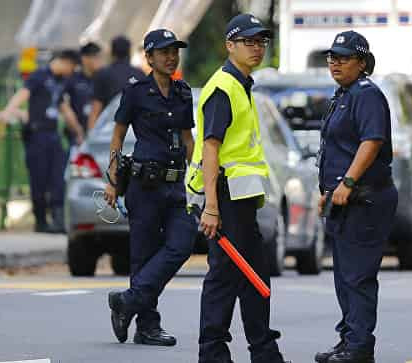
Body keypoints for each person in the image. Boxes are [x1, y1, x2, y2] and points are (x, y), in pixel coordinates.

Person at [186, 13, 290, 363]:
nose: (257, 48)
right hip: (226, 196)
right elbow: (210, 149)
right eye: (248, 41)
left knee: (250, 275)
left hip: (240, 198)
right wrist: (211, 207)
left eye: (260, 41)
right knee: (226, 276)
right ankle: (215, 351)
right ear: (229, 46)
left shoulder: (241, 84)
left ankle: (261, 349)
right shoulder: (223, 87)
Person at [104, 29, 197, 347]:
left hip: (176, 186)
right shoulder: (135, 91)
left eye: (175, 51)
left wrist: (197, 180)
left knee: (182, 244)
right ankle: (148, 326)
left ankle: (127, 301)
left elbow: (188, 140)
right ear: (149, 57)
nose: (171, 57)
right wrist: (113, 181)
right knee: (143, 256)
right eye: (164, 52)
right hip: (144, 185)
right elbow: (117, 136)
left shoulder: (183, 92)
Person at [315, 31, 397, 363]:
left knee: (358, 277)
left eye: (343, 57)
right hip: (345, 199)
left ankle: (359, 347)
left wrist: (347, 182)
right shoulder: (344, 95)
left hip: (365, 198)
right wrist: (327, 190)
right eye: (331, 57)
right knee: (344, 277)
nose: (335, 63)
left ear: (362, 63)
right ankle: (349, 339)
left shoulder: (366, 94)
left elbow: (372, 141)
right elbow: (335, 147)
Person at [0, 50, 84, 233]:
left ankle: (58, 220)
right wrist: (8, 111)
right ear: (65, 62)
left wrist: (79, 132)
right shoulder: (39, 76)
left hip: (53, 135)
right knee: (39, 179)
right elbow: (23, 94)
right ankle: (41, 221)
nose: (71, 72)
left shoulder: (60, 82)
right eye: (72, 67)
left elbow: (64, 108)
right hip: (37, 135)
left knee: (57, 178)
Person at [87, 35, 145, 130]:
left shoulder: (103, 74)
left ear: (111, 52)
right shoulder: (139, 74)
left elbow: (96, 108)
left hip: (109, 131)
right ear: (129, 52)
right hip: (133, 131)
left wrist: (90, 136)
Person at [65, 42, 102, 146]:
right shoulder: (73, 79)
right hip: (77, 136)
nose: (99, 61)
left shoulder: (103, 79)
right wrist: (77, 130)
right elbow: (64, 105)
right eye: (95, 57)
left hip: (98, 135)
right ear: (85, 59)